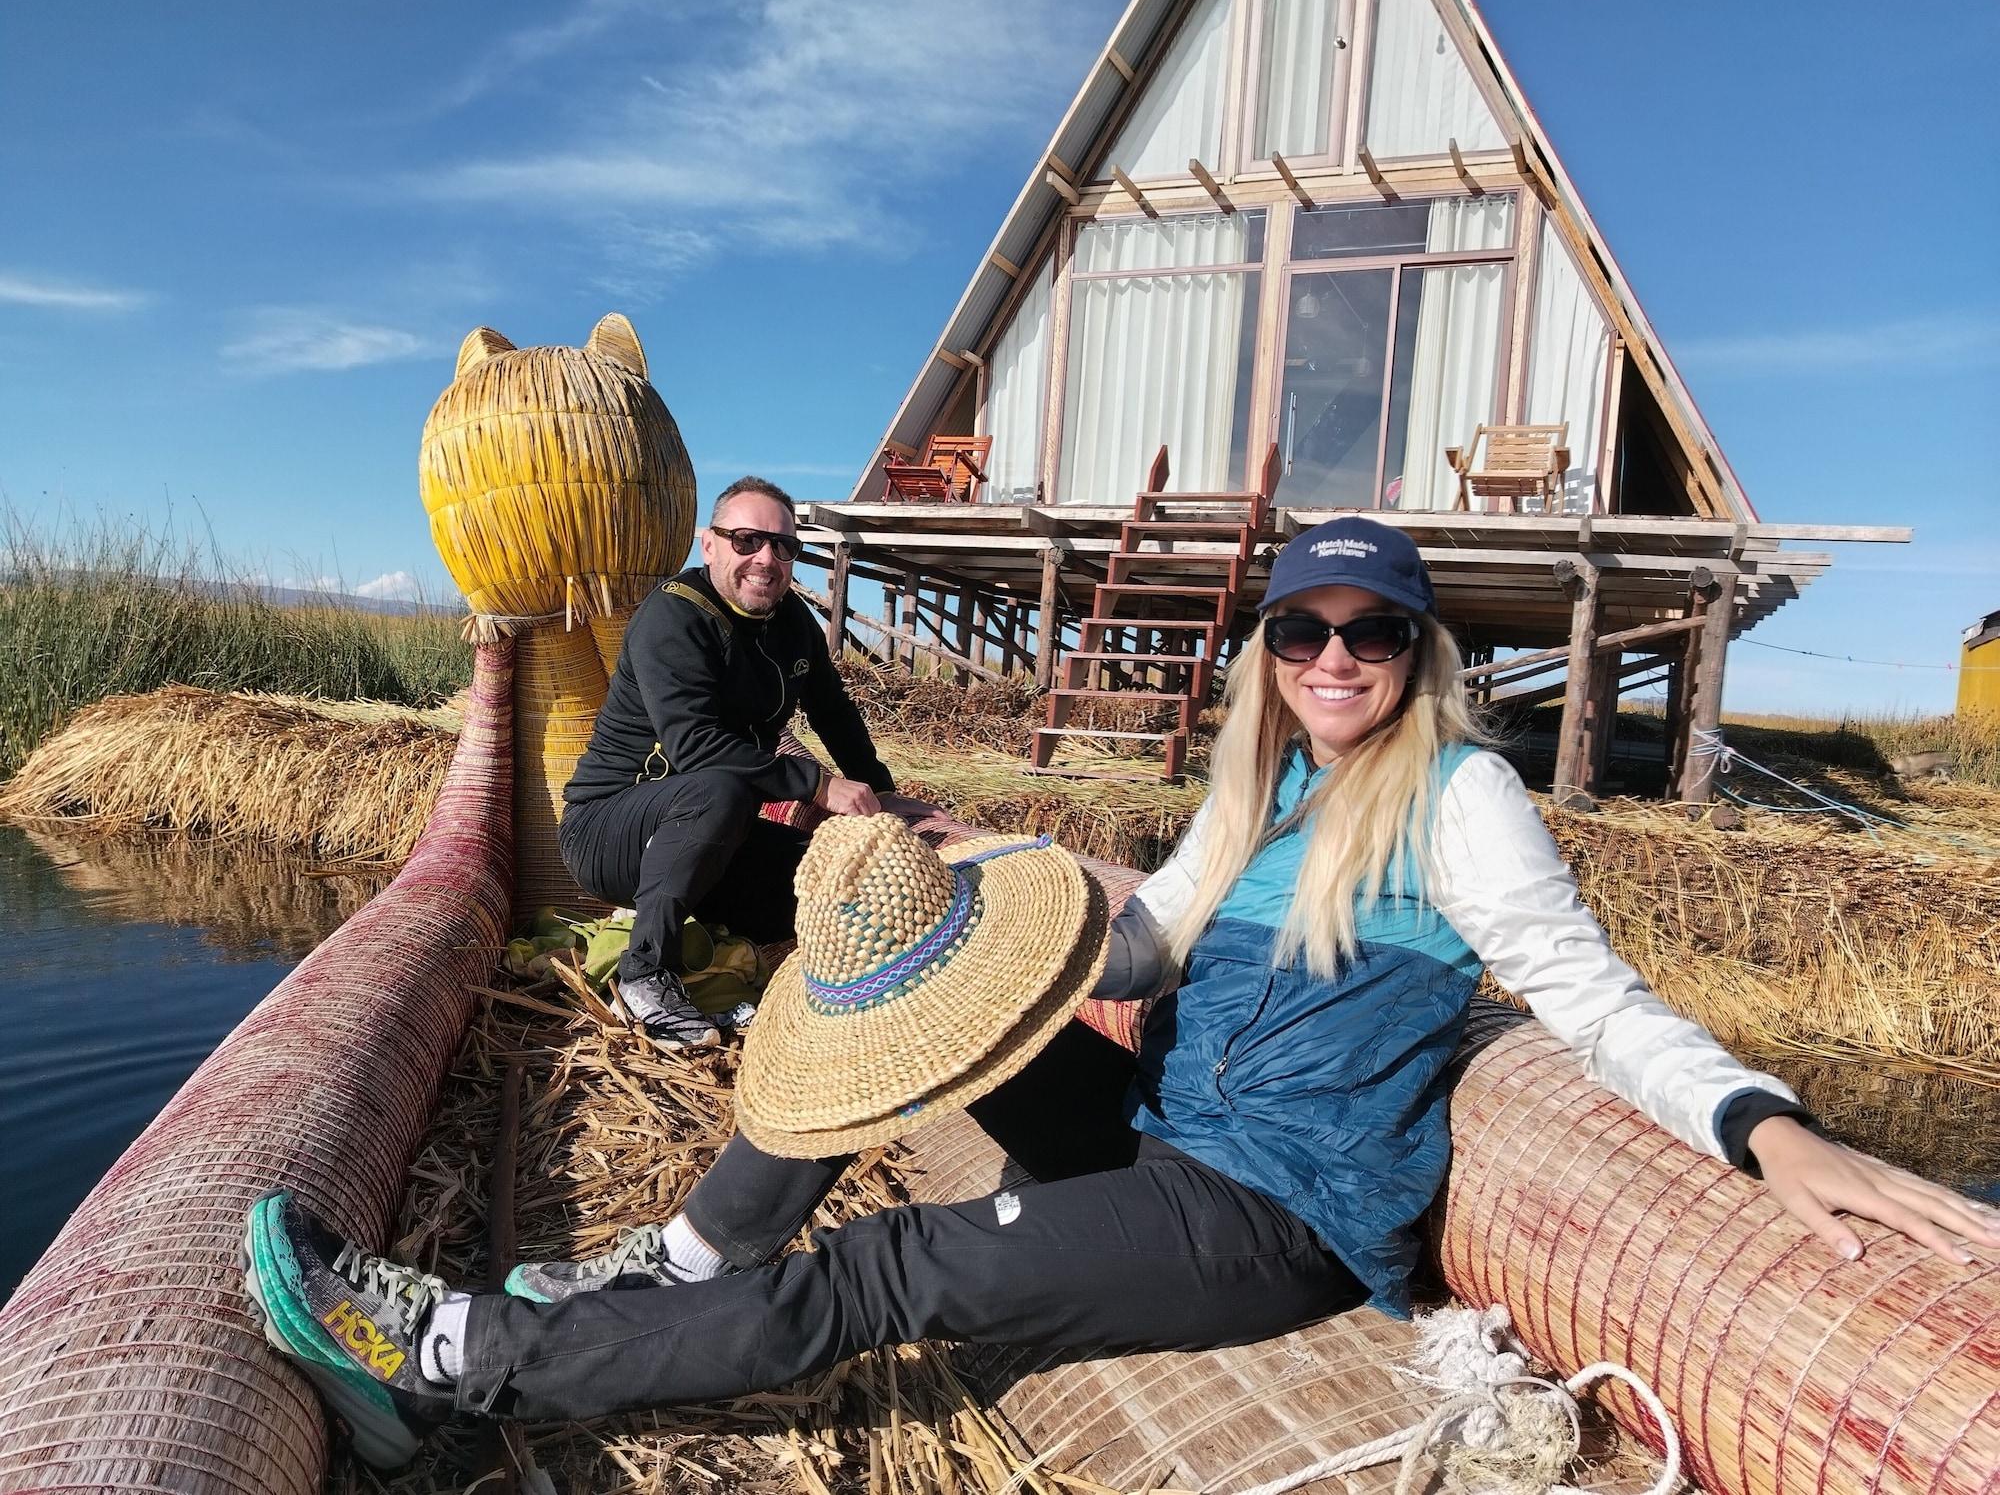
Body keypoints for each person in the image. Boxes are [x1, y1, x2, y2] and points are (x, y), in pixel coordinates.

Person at [242, 517, 2000, 1471]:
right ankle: (686, 1261)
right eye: (1301, 632)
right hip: (1169, 1120)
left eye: (1367, 637)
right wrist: (1002, 943)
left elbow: (1593, 1001)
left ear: (1416, 655)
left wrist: (1770, 1132)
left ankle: (466, 1360)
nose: (1331, 661)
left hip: (1273, 1207)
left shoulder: (1457, 797)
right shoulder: (1261, 788)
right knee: (865, 1045)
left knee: (883, 1267)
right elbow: (1146, 936)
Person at [559, 474, 921, 1048]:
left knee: (813, 880)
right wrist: (818, 786)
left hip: (712, 832)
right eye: (747, 540)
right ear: (710, 544)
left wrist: (883, 795)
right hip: (610, 829)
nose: (766, 559)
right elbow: (696, 747)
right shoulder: (672, 618)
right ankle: (644, 978)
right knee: (720, 788)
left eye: (783, 546)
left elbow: (836, 715)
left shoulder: (793, 623)